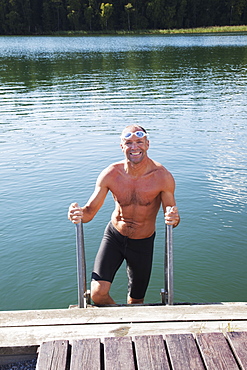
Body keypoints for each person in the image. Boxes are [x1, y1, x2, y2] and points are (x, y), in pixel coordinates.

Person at [68, 125, 180, 305]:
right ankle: (119, 317)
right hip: (114, 237)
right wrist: (78, 214)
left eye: (139, 142)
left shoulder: (162, 177)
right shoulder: (111, 174)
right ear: (122, 147)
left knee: (136, 301)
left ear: (147, 144)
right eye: (128, 143)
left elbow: (172, 218)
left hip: (143, 243)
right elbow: (89, 212)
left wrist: (174, 219)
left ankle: (127, 324)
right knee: (97, 294)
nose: (134, 147)